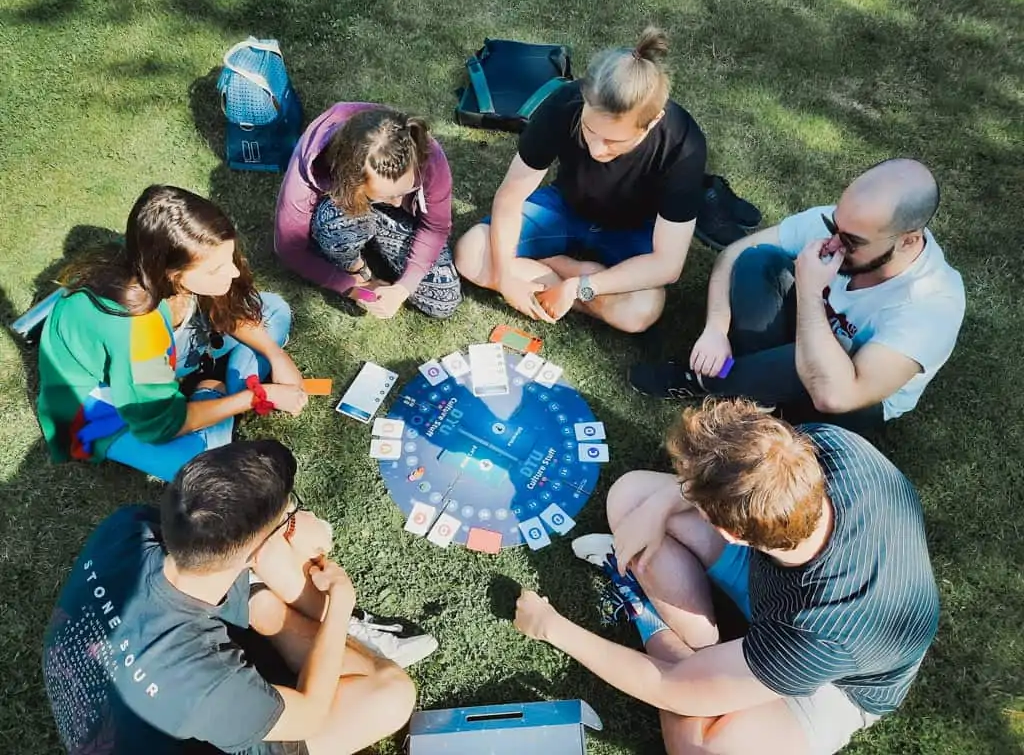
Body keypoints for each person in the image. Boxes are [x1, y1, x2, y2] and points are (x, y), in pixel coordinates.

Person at [514, 398, 940, 755]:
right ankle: (712, 657)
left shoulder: (819, 635)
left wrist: (552, 628)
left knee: (699, 746)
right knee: (634, 498)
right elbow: (739, 479)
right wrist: (659, 506)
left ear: (730, 534)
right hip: (785, 576)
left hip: (839, 682)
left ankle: (644, 611)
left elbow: (669, 687)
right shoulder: (828, 447)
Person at [43, 440, 436, 755]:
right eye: (290, 513)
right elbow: (310, 715)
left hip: (108, 700)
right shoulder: (206, 683)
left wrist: (274, 545)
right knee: (390, 693)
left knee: (263, 605)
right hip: (177, 718)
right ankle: (347, 630)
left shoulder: (128, 527)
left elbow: (245, 578)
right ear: (255, 550)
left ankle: (333, 629)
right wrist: (340, 607)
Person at [629, 159, 965, 433]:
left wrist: (808, 290)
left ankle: (711, 382)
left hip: (847, 400)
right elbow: (733, 254)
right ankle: (755, 399)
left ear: (907, 240)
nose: (833, 244)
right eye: (833, 226)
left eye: (852, 242)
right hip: (796, 351)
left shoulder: (931, 304)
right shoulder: (850, 226)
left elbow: (838, 395)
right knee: (758, 261)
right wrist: (716, 328)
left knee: (824, 355)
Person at [36, 185, 308, 482]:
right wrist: (256, 396)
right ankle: (217, 388)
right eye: (216, 269)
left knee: (274, 310)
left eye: (228, 259)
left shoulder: (153, 254)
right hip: (104, 401)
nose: (232, 273)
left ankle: (215, 392)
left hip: (160, 355)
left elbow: (235, 307)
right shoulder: (137, 329)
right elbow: (160, 425)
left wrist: (276, 354)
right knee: (204, 469)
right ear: (171, 274)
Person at [454, 27, 707, 334]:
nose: (597, 148)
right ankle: (563, 274)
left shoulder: (683, 145)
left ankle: (560, 275)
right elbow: (510, 196)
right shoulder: (564, 103)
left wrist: (581, 285)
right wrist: (506, 278)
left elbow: (667, 264)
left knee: (640, 313)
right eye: (590, 130)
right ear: (585, 98)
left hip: (632, 230)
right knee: (469, 255)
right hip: (565, 207)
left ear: (652, 123)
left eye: (614, 141)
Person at [275, 103, 462, 319]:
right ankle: (355, 265)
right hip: (342, 207)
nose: (397, 202)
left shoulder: (425, 152)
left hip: (376, 211)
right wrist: (355, 287)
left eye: (406, 190)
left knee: (442, 300)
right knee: (334, 222)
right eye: (386, 195)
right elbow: (289, 248)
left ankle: (368, 237)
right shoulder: (310, 164)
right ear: (351, 180)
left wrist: (403, 288)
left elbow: (435, 227)